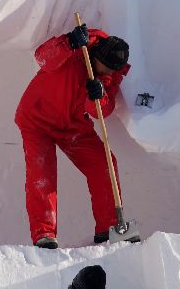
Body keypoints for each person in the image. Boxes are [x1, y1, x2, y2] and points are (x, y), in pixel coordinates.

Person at [15, 22, 131, 248]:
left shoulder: (112, 70)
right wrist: (68, 43)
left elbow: (101, 112)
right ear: (97, 56)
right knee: (42, 175)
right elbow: (42, 58)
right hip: (36, 119)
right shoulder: (78, 46)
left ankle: (108, 230)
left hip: (73, 125)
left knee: (104, 163)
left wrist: (98, 97)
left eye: (112, 71)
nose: (109, 73)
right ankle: (44, 235)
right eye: (106, 68)